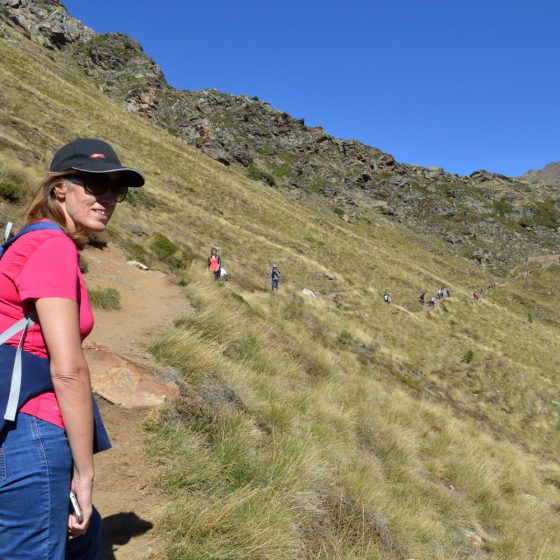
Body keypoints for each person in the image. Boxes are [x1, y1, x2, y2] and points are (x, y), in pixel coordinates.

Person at [0, 138, 144, 559]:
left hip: (14, 423)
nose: (108, 199)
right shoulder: (52, 247)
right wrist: (85, 471)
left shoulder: (26, 241)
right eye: (95, 185)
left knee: (86, 532)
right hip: (33, 429)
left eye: (116, 190)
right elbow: (68, 370)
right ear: (60, 187)